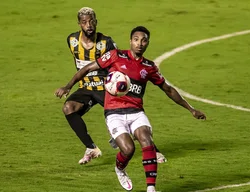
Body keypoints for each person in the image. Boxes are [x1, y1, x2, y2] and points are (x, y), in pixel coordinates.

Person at [55, 26, 206, 192]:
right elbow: (87, 68)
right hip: (114, 112)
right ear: (130, 41)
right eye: (136, 40)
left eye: (143, 40)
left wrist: (191, 109)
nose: (139, 44)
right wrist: (68, 86)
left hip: (136, 112)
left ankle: (151, 188)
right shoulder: (115, 56)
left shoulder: (149, 67)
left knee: (146, 140)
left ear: (148, 43)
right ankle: (120, 169)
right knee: (128, 149)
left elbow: (168, 89)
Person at [60, 7, 167, 165]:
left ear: (96, 22)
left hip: (107, 88)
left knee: (128, 116)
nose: (88, 25)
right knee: (68, 107)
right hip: (86, 88)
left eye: (91, 21)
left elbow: (121, 62)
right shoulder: (72, 40)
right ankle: (91, 148)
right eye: (84, 22)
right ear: (79, 24)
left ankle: (154, 151)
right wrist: (68, 86)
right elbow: (81, 65)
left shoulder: (106, 42)